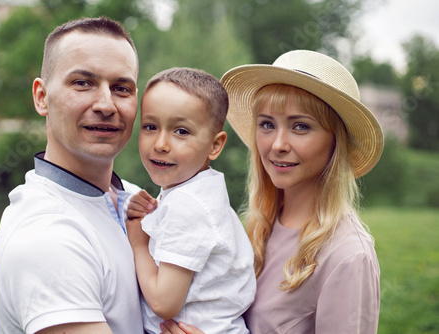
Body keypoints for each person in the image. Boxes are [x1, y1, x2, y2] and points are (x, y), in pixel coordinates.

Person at [162, 50, 382, 334]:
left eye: (300, 126)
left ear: (335, 142)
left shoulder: (348, 256)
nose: (277, 144)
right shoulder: (258, 227)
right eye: (267, 124)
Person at [0, 17, 144, 334]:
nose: (105, 104)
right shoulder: (46, 235)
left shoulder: (132, 198)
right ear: (41, 97)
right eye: (83, 83)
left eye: (121, 88)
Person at [126, 67, 256, 334]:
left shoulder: (188, 205)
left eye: (181, 131)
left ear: (215, 145)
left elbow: (164, 302)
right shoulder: (196, 191)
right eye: (150, 126)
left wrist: (139, 243)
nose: (160, 144)